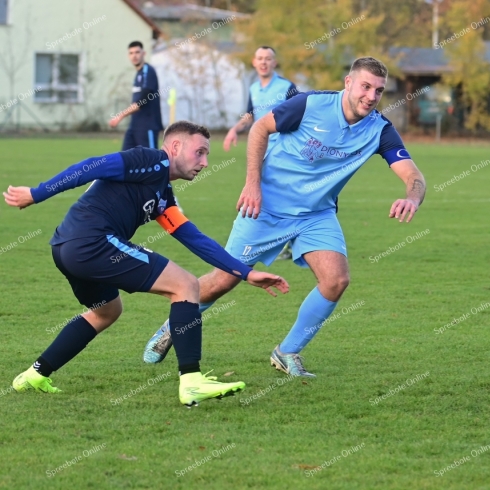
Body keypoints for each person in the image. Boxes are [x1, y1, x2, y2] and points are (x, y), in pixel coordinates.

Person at [142, 57, 426, 378]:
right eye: (365, 86)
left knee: (336, 280)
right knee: (224, 279)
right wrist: (252, 184)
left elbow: (413, 175)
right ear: (348, 83)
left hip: (316, 214)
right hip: (265, 207)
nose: (371, 96)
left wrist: (411, 197)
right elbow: (260, 128)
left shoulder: (379, 130)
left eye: (378, 90)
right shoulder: (309, 105)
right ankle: (172, 326)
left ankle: (287, 351)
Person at [4, 121, 289, 407]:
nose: (204, 162)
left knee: (106, 312)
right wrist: (36, 193)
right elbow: (91, 166)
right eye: (200, 152)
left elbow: (194, 239)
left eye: (207, 155)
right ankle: (191, 381)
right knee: (186, 285)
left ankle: (34, 374)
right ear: (175, 146)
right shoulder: (149, 161)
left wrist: (246, 272)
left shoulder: (163, 196)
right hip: (91, 242)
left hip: (66, 247)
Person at [223, 45, 298, 260]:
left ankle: (285, 243)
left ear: (275, 63)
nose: (264, 62)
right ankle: (270, 242)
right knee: (264, 195)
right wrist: (234, 129)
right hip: (260, 152)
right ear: (254, 62)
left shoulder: (287, 87)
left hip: (284, 152)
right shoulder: (254, 89)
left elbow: (301, 114)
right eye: (260, 58)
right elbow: (250, 116)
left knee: (283, 195)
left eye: (268, 58)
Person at [109, 41, 164, 150]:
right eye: (131, 53)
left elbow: (142, 101)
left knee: (152, 162)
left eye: (137, 52)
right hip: (134, 126)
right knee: (126, 160)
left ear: (144, 53)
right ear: (128, 55)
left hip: (147, 126)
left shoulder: (148, 71)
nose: (134, 56)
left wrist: (120, 116)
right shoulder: (138, 74)